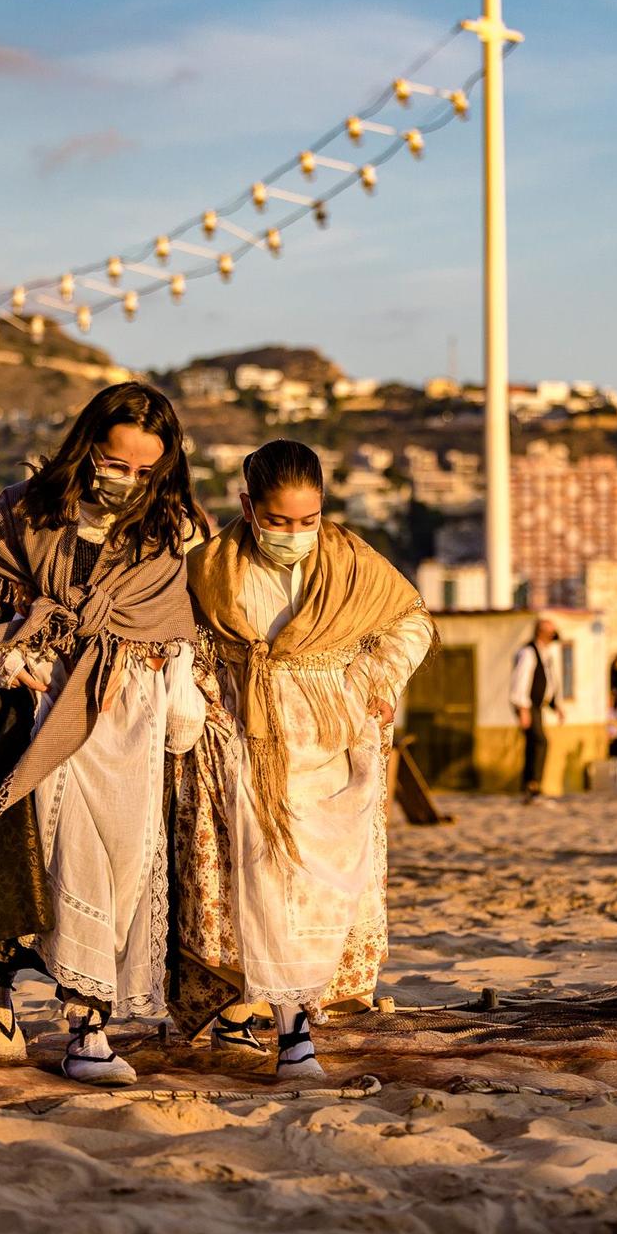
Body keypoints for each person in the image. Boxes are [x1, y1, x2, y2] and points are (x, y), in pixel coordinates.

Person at [0, 383, 208, 1086]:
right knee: (34, 860)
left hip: (127, 717)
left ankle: (87, 1019)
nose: (131, 481)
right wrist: (6, 651)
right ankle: (50, 1018)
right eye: (117, 464)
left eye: (147, 470)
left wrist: (179, 709)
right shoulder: (24, 509)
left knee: (117, 866)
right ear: (88, 449)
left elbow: (176, 632)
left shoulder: (170, 528)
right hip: (33, 710)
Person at [180, 440, 435, 1079]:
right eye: (279, 521)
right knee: (261, 885)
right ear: (247, 506)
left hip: (333, 740)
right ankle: (290, 1033)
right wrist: (209, 703)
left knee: (317, 890)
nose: (295, 535)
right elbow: (186, 644)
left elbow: (411, 621)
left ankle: (267, 1013)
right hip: (245, 741)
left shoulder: (352, 559)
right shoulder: (210, 567)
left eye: (308, 521)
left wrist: (377, 682)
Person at [510, 619, 565, 798]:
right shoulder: (528, 652)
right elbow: (521, 681)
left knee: (533, 743)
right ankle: (533, 783)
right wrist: (523, 709)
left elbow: (548, 681)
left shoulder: (544, 653)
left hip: (537, 706)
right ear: (541, 633)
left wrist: (555, 704)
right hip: (528, 705)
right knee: (540, 741)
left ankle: (530, 785)